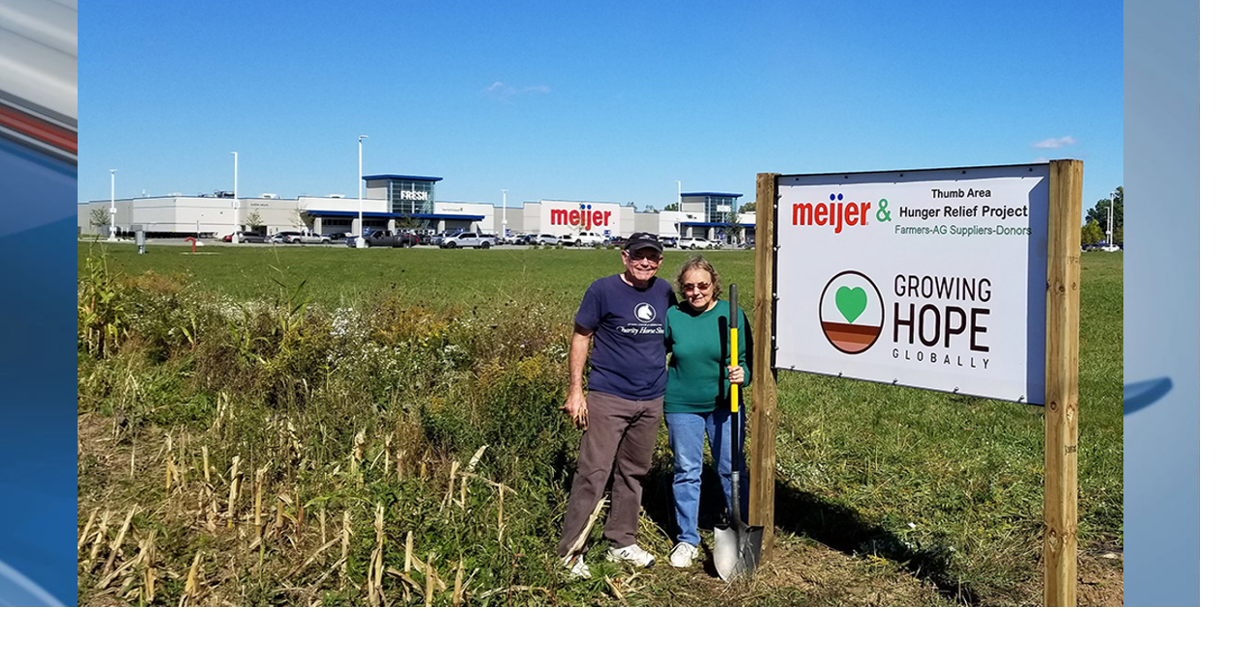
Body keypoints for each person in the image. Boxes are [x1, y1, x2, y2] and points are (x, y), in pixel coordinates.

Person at [557, 232, 677, 578]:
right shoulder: (602, 290)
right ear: (624, 257)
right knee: (593, 473)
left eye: (652, 257)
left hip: (651, 398)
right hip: (609, 395)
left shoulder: (664, 291)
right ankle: (570, 552)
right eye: (638, 255)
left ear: (659, 261)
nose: (645, 262)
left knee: (633, 472)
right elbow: (582, 337)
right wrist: (576, 390)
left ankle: (621, 541)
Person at [662, 255, 752, 569]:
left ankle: (743, 525)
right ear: (681, 288)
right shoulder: (673, 316)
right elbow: (652, 354)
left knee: (731, 468)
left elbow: (748, 360)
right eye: (688, 287)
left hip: (725, 405)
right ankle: (687, 539)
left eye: (703, 285)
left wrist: (745, 375)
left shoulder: (733, 314)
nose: (696, 292)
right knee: (687, 472)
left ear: (714, 285)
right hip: (681, 405)